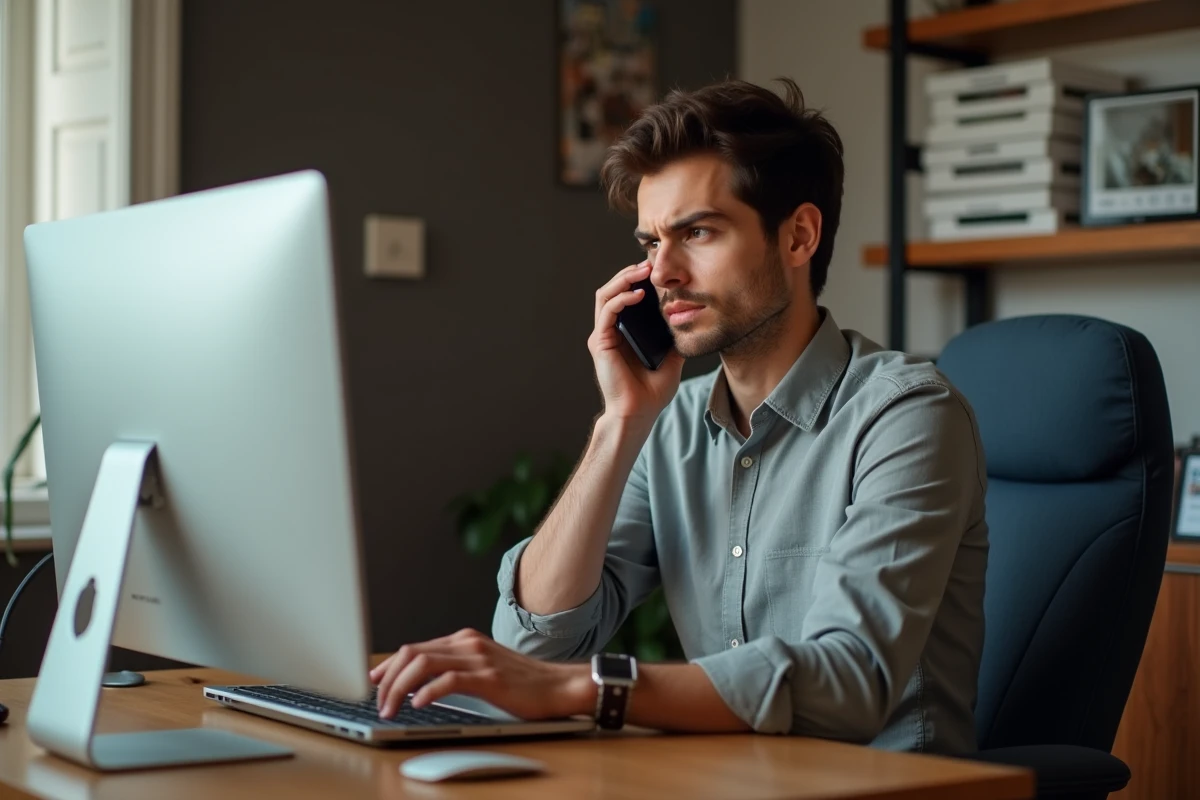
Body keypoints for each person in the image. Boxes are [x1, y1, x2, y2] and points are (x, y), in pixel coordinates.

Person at [369, 78, 988, 754]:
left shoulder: (906, 417)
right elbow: (538, 638)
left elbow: (850, 680)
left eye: (696, 232)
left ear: (799, 237)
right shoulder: (673, 426)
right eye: (650, 242)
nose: (660, 271)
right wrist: (620, 425)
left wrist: (584, 689)